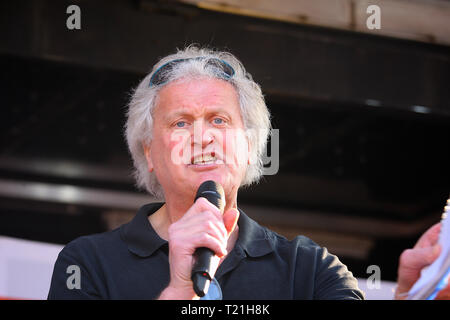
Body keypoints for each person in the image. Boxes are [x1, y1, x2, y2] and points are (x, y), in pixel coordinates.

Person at [47, 45, 448, 300]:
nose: (202, 137)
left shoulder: (309, 269)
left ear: (251, 145)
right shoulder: (87, 264)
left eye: (219, 120)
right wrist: (181, 289)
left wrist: (413, 298)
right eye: (181, 123)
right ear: (149, 152)